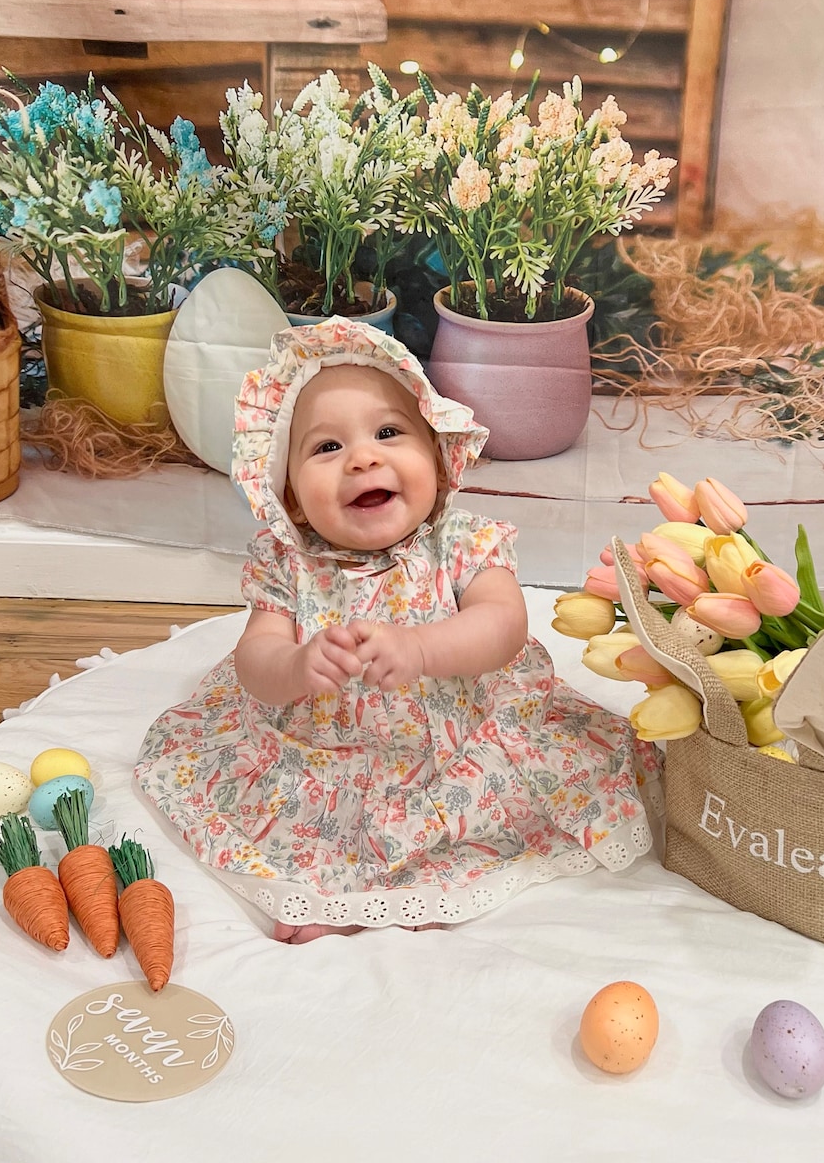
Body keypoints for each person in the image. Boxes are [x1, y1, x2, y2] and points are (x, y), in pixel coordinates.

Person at [135, 316, 661, 942]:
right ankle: (335, 894)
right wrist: (295, 667)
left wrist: (420, 646)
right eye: (326, 448)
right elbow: (257, 658)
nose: (362, 458)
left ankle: (435, 880)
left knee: (492, 802)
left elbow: (504, 625)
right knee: (309, 823)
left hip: (454, 739)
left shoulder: (461, 544)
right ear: (293, 498)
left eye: (389, 432)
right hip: (323, 752)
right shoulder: (290, 565)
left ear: (439, 461)